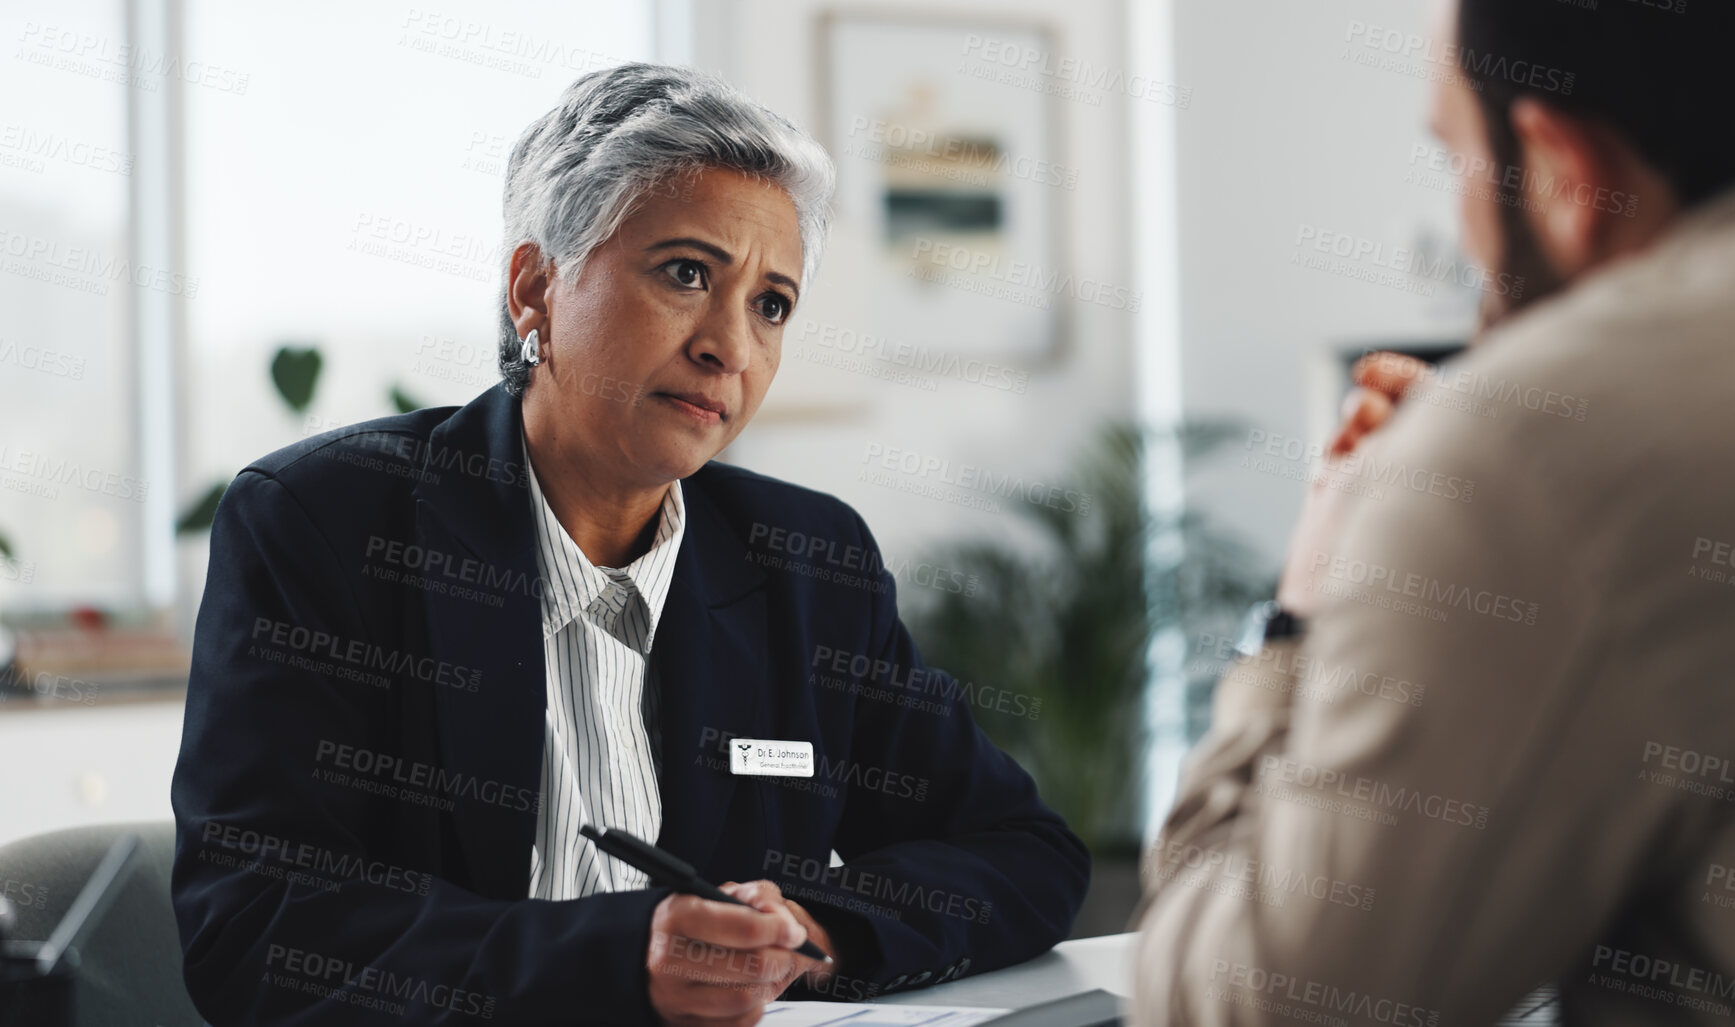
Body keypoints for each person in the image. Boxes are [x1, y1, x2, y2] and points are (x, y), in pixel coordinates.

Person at [171, 64, 1087, 1027]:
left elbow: (1023, 848)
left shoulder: (808, 560)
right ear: (536, 287)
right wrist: (620, 961)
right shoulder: (325, 524)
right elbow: (260, 927)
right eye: (686, 273)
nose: (729, 346)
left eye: (771, 304)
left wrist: (816, 928)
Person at [1135, 1, 1735, 1023]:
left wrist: (1306, 617)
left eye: (1453, 162)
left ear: (1561, 171)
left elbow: (1260, 1006)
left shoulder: (1555, 439)